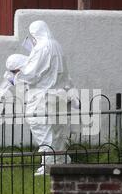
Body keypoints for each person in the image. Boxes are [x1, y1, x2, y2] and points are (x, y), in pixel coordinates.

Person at [15, 21, 76, 176]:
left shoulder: (41, 48)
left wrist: (17, 76)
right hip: (59, 94)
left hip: (43, 96)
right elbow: (65, 73)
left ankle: (48, 165)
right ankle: (60, 161)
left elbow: (31, 73)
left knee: (42, 129)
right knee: (56, 131)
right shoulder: (57, 46)